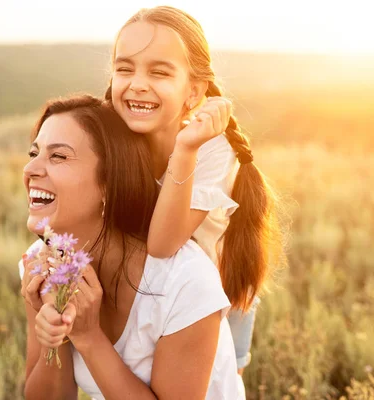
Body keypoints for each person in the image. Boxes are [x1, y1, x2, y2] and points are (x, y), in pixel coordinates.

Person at [20, 95, 245, 399]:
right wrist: (53, 334)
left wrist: (88, 337)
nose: (31, 168)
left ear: (109, 183)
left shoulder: (184, 281)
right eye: (34, 153)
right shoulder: (42, 265)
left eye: (58, 156)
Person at [104, 6, 285, 375]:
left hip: (212, 305)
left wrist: (186, 149)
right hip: (143, 303)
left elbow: (163, 243)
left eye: (159, 72)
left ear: (194, 91)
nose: (137, 83)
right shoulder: (110, 138)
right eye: (125, 69)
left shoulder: (212, 149)